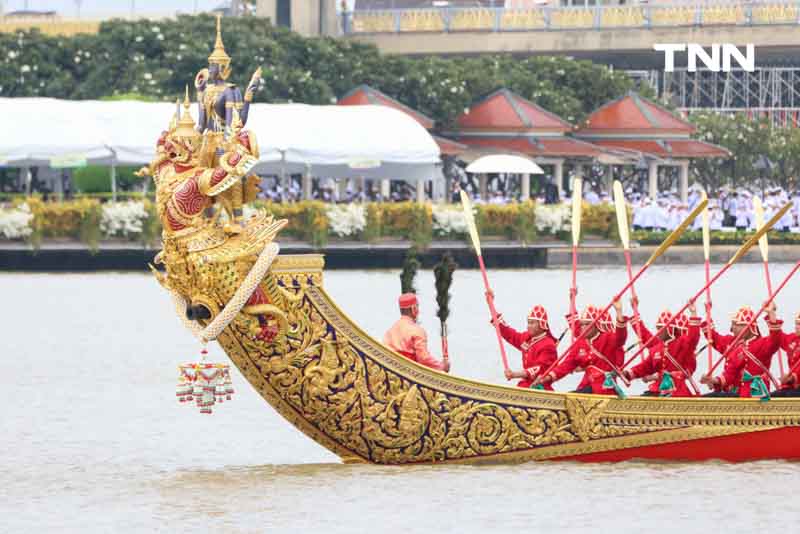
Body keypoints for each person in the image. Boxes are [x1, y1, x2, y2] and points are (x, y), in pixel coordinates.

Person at [535, 300, 628, 395]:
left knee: (572, 398)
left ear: (596, 325)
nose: (583, 327)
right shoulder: (580, 343)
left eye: (587, 324)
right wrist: (547, 377)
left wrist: (619, 312)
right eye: (582, 324)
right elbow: (566, 365)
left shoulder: (607, 337)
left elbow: (621, 339)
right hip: (587, 385)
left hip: (605, 388)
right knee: (570, 396)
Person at [700, 303, 782, 398]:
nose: (732, 328)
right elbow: (729, 374)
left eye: (736, 325)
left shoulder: (762, 344)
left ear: (748, 327)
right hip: (738, 392)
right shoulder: (736, 347)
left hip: (756, 393)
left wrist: (771, 314)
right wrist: (713, 380)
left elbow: (775, 340)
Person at [623, 300, 701, 397]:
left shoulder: (682, 343)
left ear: (669, 329)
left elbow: (693, 338)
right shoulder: (656, 347)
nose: (658, 331)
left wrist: (693, 313)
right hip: (658, 389)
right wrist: (628, 373)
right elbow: (645, 366)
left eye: (661, 328)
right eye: (658, 328)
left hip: (677, 391)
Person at [490, 302, 557, 389]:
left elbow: (538, 369)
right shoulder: (527, 338)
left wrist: (514, 374)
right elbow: (510, 334)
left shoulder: (548, 345)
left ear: (541, 325)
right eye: (528, 323)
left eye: (532, 323)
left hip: (540, 387)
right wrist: (491, 305)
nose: (528, 326)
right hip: (525, 384)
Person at [383, 293, 450, 372]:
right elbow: (423, 359)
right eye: (417, 306)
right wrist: (441, 366)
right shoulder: (417, 330)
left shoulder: (389, 332)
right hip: (410, 375)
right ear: (414, 309)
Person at [773, 311, 800, 397]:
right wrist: (771, 314)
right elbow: (778, 336)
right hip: (792, 386)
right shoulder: (793, 339)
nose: (796, 327)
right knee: (772, 397)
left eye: (799, 324)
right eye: (796, 324)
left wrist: (793, 377)